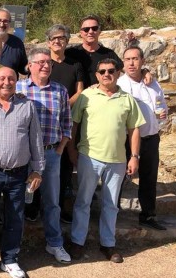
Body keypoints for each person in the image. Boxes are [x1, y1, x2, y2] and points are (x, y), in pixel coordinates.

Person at [69, 59, 145, 263]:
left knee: (111, 204)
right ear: (96, 75)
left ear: (118, 73)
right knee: (83, 201)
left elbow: (134, 129)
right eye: (102, 71)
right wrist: (71, 151)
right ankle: (77, 242)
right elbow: (73, 125)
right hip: (89, 156)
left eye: (111, 71)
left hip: (118, 160)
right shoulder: (86, 96)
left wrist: (134, 157)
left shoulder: (127, 99)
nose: (106, 74)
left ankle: (108, 244)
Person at [0, 67, 44, 278]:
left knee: (15, 218)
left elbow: (36, 140)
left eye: (11, 78)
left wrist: (37, 170)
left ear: (17, 82)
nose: (6, 82)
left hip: (18, 174)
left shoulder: (27, 106)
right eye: (2, 78)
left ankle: (10, 259)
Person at [16, 48, 73, 264]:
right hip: (23, 156)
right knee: (19, 201)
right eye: (40, 62)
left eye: (48, 62)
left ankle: (55, 243)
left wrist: (59, 151)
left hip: (51, 154)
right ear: (29, 66)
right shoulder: (18, 88)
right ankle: (15, 246)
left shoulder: (60, 91)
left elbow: (67, 124)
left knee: (52, 202)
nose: (46, 66)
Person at [117, 46, 168, 231]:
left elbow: (161, 104)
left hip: (152, 137)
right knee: (119, 176)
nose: (131, 63)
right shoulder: (120, 85)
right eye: (128, 59)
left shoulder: (153, 83)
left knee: (149, 178)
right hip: (126, 140)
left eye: (135, 59)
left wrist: (163, 115)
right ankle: (112, 213)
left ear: (142, 61)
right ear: (123, 63)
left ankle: (148, 215)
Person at [46, 24, 85, 224]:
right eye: (54, 38)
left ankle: (61, 207)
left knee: (65, 166)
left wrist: (63, 103)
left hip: (68, 116)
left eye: (61, 38)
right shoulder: (44, 63)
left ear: (67, 41)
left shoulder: (74, 64)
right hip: (46, 120)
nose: (57, 41)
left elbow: (80, 91)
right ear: (48, 42)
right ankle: (36, 207)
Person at [65, 15, 123, 88]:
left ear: (99, 31)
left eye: (94, 28)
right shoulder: (70, 53)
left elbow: (123, 72)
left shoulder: (109, 54)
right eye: (86, 29)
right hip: (77, 97)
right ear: (81, 33)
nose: (91, 32)